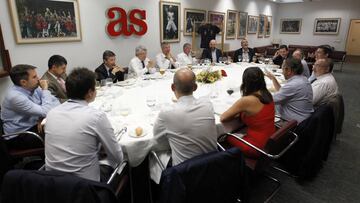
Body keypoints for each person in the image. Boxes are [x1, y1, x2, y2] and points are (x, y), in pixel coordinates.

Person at [45, 68, 123, 182]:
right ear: (90, 92)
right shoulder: (96, 116)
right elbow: (118, 157)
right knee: (121, 163)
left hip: (51, 182)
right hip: (84, 186)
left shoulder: (51, 113)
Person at [152, 68, 218, 166]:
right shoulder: (207, 104)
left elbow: (158, 140)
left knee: (153, 156)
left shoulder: (167, 112)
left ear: (172, 87)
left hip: (184, 175)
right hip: (214, 168)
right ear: (195, 87)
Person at [220, 67, 275, 158]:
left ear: (245, 82)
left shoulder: (247, 100)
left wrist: (237, 113)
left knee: (223, 137)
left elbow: (223, 118)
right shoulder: (266, 93)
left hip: (256, 147)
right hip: (270, 140)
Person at [1, 64, 60, 149]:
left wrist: (41, 117)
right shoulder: (15, 97)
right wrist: (45, 90)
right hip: (19, 136)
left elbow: (56, 102)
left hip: (34, 126)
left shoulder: (34, 88)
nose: (38, 79)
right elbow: (47, 111)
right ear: (23, 82)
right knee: (57, 135)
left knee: (61, 128)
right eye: (34, 77)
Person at [266, 58, 313, 123]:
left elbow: (269, 100)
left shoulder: (293, 85)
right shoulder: (302, 79)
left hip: (291, 123)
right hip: (303, 118)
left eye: (283, 68)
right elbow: (282, 92)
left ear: (289, 70)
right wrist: (273, 79)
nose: (282, 72)